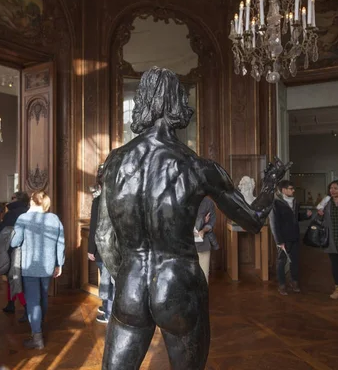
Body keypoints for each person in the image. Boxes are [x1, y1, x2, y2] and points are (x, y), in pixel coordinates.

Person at [94, 67, 289, 370]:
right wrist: (269, 184)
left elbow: (104, 238)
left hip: (131, 284)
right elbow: (253, 219)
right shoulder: (197, 166)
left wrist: (128, 273)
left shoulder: (114, 162)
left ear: (143, 102)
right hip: (178, 284)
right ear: (178, 105)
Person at [11, 191, 65, 349]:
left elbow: (15, 242)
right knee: (43, 297)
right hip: (48, 265)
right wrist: (59, 264)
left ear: (32, 202)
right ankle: (39, 324)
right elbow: (60, 243)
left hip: (30, 266)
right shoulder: (54, 218)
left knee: (33, 301)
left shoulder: (23, 218)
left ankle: (37, 336)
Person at [269, 180, 312, 295]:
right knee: (282, 261)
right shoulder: (275, 203)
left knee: (295, 261)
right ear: (283, 190)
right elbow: (274, 223)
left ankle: (294, 282)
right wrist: (279, 241)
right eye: (291, 188)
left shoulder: (295, 202)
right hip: (283, 238)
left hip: (295, 236)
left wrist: (305, 216)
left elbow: (295, 217)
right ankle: (282, 285)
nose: (293, 190)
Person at [88, 164, 115, 323]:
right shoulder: (119, 198)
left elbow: (94, 226)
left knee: (107, 281)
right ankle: (107, 306)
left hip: (102, 246)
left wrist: (91, 249)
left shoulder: (98, 200)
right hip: (116, 246)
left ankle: (109, 312)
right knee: (111, 280)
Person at [0, 191, 30, 318]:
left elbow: (2, 232)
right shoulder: (28, 211)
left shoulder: (11, 213)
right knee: (14, 277)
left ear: (17, 199)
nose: (11, 199)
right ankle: (11, 303)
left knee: (15, 278)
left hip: (13, 249)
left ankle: (26, 307)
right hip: (24, 249)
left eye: (13, 197)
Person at [193, 197, 219, 284]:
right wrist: (203, 220)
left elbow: (211, 223)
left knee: (204, 276)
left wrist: (203, 230)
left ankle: (203, 297)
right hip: (186, 246)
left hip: (203, 245)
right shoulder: (182, 199)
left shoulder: (208, 202)